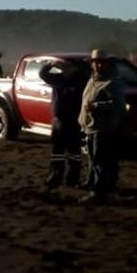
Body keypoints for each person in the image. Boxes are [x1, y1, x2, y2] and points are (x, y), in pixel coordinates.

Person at [78, 49, 126, 204]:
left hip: (103, 128)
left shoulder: (112, 82)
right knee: (93, 158)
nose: (98, 65)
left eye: (101, 62)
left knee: (100, 161)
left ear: (106, 64)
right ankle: (95, 184)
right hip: (90, 126)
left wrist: (96, 106)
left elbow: (118, 105)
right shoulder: (92, 80)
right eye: (95, 62)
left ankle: (98, 193)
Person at [39, 57, 89, 189]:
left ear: (75, 67)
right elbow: (43, 75)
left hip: (74, 121)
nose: (65, 69)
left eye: (68, 66)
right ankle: (55, 176)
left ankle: (72, 179)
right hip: (58, 121)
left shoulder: (81, 80)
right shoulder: (58, 78)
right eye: (64, 66)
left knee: (74, 152)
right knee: (57, 151)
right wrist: (51, 65)